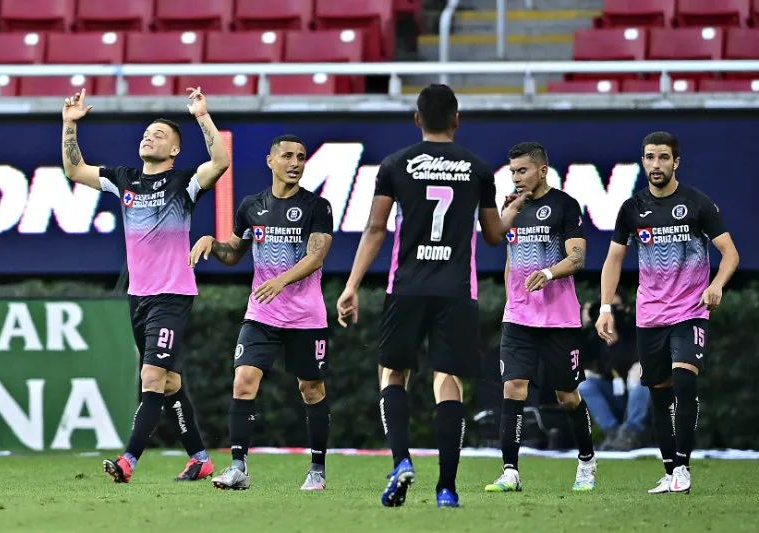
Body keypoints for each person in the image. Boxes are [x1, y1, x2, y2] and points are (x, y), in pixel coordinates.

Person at [336, 84, 526, 508]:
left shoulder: (395, 165)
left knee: (392, 373)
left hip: (407, 287)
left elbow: (376, 229)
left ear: (417, 119)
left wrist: (351, 286)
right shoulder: (478, 169)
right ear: (457, 120)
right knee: (448, 381)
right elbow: (495, 236)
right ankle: (447, 488)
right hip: (457, 291)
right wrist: (512, 209)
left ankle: (402, 461)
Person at [61, 87, 230, 483]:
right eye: (147, 132)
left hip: (172, 295)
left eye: (160, 134)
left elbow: (220, 161)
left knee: (151, 377)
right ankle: (201, 458)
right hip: (138, 297)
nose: (149, 136)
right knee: (168, 382)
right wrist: (69, 125)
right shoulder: (125, 180)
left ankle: (128, 461)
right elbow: (74, 170)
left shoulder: (184, 183)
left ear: (174, 151)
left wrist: (202, 115)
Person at [596, 131, 739, 494]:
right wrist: (605, 306)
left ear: (676, 162)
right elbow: (614, 258)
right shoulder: (632, 209)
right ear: (643, 161)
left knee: (685, 381)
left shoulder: (696, 203)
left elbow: (731, 253)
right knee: (659, 393)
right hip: (650, 316)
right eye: (649, 157)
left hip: (690, 311)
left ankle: (684, 469)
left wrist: (717, 284)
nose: (655, 164)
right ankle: (670, 468)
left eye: (663, 157)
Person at [189, 135, 334, 492]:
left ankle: (317, 469)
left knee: (311, 389)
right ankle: (238, 467)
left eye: (301, 157)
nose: (295, 162)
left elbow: (316, 257)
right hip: (262, 313)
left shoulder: (318, 206)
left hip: (305, 315)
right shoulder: (251, 206)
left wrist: (281, 280)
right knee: (243, 381)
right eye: (287, 156)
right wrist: (213, 242)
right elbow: (234, 253)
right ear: (271, 161)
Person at [484, 142, 597, 494]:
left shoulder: (564, 206)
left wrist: (548, 274)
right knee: (513, 388)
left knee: (567, 396)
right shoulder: (512, 209)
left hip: (559, 321)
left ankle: (587, 460)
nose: (516, 177)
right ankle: (510, 472)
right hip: (518, 318)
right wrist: (511, 299)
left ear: (542, 170)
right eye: (512, 171)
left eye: (522, 170)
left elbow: (577, 258)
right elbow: (509, 256)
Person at [580, 292, 650, 451]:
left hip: (638, 394)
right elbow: (578, 354)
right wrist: (586, 325)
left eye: (615, 308)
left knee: (641, 374)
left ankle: (631, 432)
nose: (611, 313)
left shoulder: (635, 330)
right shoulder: (596, 336)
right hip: (614, 394)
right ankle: (614, 432)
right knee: (584, 383)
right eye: (607, 308)